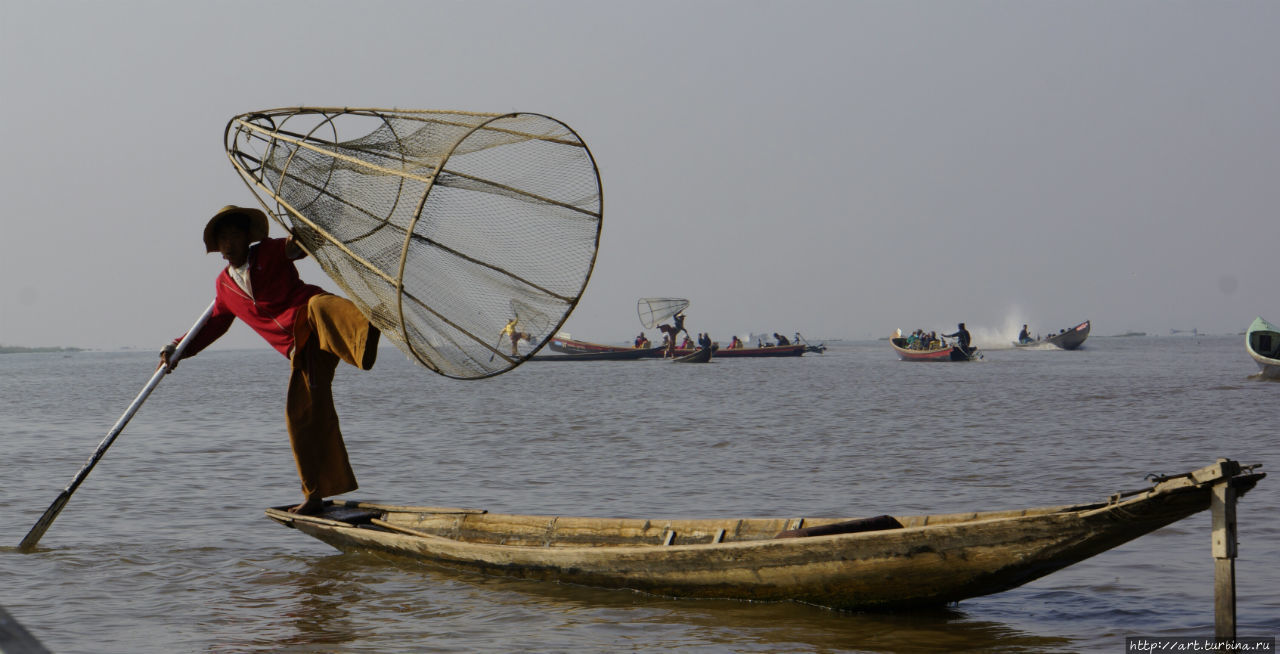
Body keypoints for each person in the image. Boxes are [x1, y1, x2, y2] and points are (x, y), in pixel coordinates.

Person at [159, 206, 380, 515]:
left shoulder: (269, 251)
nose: (229, 244)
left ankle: (368, 329)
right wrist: (177, 349)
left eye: (234, 236)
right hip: (298, 349)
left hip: (311, 318)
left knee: (320, 304)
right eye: (223, 239)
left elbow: (297, 247)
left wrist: (305, 230)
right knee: (300, 416)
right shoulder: (224, 286)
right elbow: (213, 326)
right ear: (218, 247)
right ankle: (315, 495)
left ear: (247, 237)